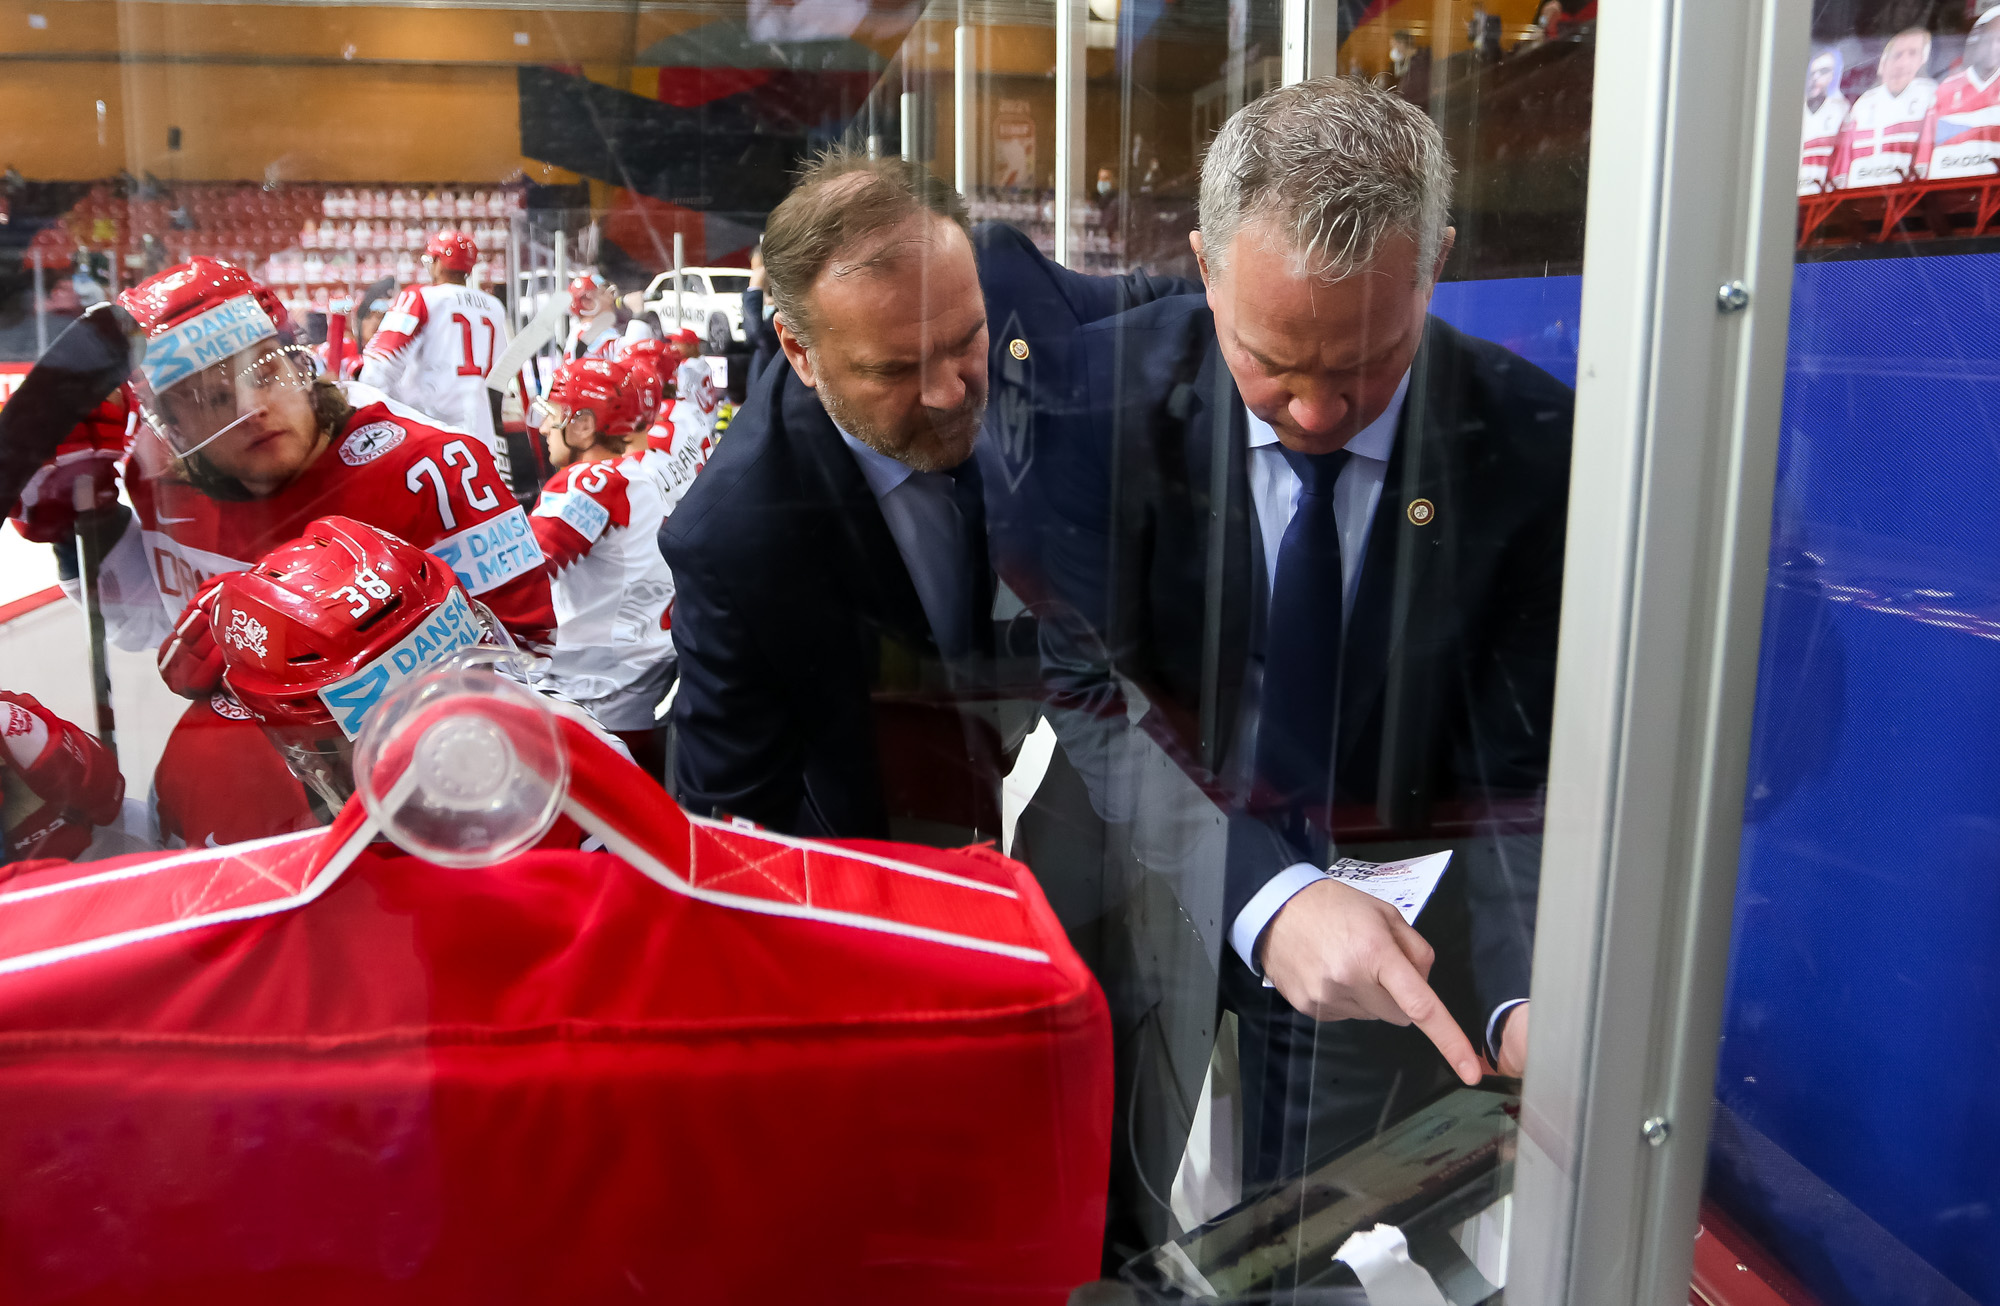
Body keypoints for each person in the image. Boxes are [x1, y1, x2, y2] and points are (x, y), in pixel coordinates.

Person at [1036, 77, 1569, 1191]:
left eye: (1366, 362)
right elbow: (1086, 682)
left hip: (1384, 938)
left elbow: (1515, 759)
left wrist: (1528, 993)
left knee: (1315, 1235)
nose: (1317, 413)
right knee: (1086, 1202)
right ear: (1203, 267)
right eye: (1269, 362)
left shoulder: (1527, 442)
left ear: (1433, 269)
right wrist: (1264, 896)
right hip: (1135, 881)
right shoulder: (1096, 395)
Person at [662, 150, 1189, 842]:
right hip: (887, 849)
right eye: (894, 370)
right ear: (798, 350)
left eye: (968, 339)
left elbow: (1180, 309)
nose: (949, 393)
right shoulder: (736, 541)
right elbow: (731, 829)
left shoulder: (1004, 278)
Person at [529, 358, 677, 779]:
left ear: (583, 426)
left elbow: (519, 577)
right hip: (646, 682)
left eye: (555, 415)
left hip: (597, 700)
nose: (545, 428)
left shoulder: (588, 482)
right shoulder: (644, 470)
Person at [357, 231, 512, 456]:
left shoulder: (419, 296)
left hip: (430, 431)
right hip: (480, 431)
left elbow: (379, 364)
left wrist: (377, 416)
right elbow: (500, 368)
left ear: (438, 262)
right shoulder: (494, 306)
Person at [1830, 27, 1937, 188]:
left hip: (1908, 195)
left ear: (1924, 60)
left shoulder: (1931, 95)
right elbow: (1843, 161)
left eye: (1912, 54)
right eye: (1897, 55)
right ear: (1884, 62)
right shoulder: (1864, 103)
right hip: (1860, 194)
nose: (1902, 63)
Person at [1917, 8, 2000, 180]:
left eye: (1999, 40)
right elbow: (1923, 161)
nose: (1993, 47)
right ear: (1974, 42)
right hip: (1945, 190)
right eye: (1987, 39)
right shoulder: (1946, 89)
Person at [1800, 49, 1851, 194]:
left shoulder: (1842, 110)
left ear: (1836, 74)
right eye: (1812, 73)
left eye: (1823, 71)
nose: (1815, 78)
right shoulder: (1793, 113)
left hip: (1825, 198)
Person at [666, 328, 723, 454]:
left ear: (691, 346)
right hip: (710, 416)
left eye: (678, 344)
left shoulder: (686, 366)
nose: (673, 347)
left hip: (697, 420)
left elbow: (681, 394)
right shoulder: (703, 362)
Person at [742, 242, 782, 384]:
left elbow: (757, 336)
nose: (756, 276)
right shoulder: (765, 306)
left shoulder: (786, 311)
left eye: (759, 271)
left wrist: (754, 291)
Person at [565, 270, 621, 360]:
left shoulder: (581, 330)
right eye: (602, 293)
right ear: (588, 303)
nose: (611, 298)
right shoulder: (592, 332)